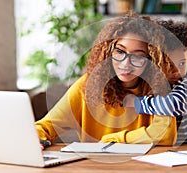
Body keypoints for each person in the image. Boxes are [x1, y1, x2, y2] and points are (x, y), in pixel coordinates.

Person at [35, 12, 178, 147]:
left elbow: (166, 134)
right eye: (120, 51)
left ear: (150, 60)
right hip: (96, 168)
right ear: (108, 52)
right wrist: (36, 138)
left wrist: (115, 139)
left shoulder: (158, 87)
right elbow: (44, 126)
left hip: (145, 168)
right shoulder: (87, 85)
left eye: (138, 56)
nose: (125, 63)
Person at [121, 19, 187, 144]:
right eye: (169, 65)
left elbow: (171, 105)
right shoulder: (160, 81)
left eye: (182, 63)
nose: (177, 71)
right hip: (183, 145)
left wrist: (137, 103)